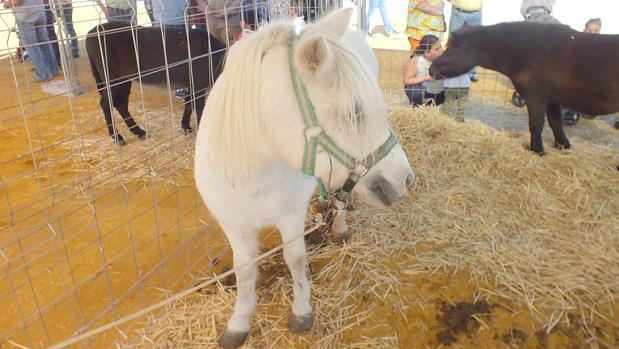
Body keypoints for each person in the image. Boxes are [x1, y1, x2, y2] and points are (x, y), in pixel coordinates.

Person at [3, 0, 60, 81]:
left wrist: (6, 4)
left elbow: (17, 1)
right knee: (45, 43)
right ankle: (54, 69)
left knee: (32, 47)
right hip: (39, 12)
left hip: (26, 16)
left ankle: (42, 74)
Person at [403, 34, 445, 107]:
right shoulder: (416, 60)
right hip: (422, 89)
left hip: (438, 89)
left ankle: (438, 106)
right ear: (427, 53)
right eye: (437, 49)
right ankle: (418, 108)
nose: (441, 50)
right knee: (414, 91)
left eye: (440, 46)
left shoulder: (444, 58)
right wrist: (426, 78)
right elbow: (407, 81)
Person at [447, 0, 482, 81]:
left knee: (474, 45)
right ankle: (452, 70)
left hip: (476, 14)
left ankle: (471, 73)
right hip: (458, 13)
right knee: (454, 42)